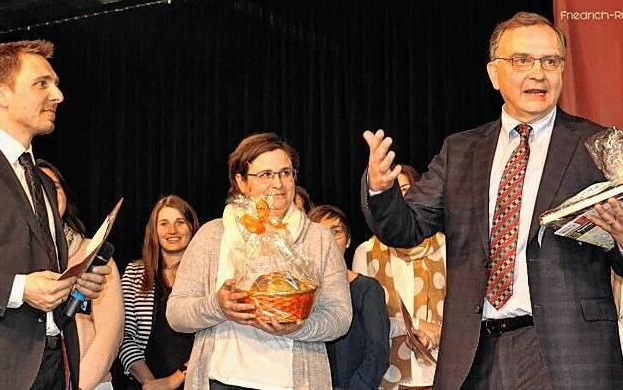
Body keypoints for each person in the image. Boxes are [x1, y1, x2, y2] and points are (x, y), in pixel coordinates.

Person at [360, 12, 623, 389]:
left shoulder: (597, 146)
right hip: (474, 354)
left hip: (567, 354)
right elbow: (404, 229)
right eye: (522, 60)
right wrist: (380, 188)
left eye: (550, 61)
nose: (538, 73)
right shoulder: (461, 151)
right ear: (494, 74)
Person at [166, 132, 351, 390]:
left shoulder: (318, 239)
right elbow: (176, 313)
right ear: (241, 181)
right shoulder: (212, 235)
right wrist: (217, 306)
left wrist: (298, 328)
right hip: (221, 382)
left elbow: (340, 317)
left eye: (286, 173)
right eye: (265, 175)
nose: (278, 183)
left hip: (294, 384)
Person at [0, 39, 111, 389]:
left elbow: (42, 273)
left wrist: (73, 284)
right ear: (1, 93)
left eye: (54, 83)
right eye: (42, 83)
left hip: (56, 364)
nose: (58, 95)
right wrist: (19, 289)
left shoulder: (38, 176)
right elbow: (24, 283)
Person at [353, 165, 446, 389]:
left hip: (443, 373)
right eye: (391, 192)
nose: (399, 198)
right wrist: (412, 326)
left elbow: (465, 310)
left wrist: (436, 334)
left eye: (404, 189)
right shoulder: (365, 253)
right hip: (389, 377)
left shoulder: (445, 246)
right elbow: (364, 321)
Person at [37, 159, 124, 390]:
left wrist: (77, 382)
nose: (49, 192)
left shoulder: (93, 253)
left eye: (54, 186)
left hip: (86, 383)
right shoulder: (15, 259)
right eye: (39, 186)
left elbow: (110, 334)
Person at [119, 195, 200, 389]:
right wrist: (150, 383)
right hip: (145, 382)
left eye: (180, 222)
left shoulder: (208, 276)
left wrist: (176, 379)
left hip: (196, 380)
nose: (172, 230)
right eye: (164, 223)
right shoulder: (134, 273)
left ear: (192, 227)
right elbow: (123, 336)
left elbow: (215, 339)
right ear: (154, 231)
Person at [308, 205, 390, 389]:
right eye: (320, 233)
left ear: (348, 240)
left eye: (335, 232)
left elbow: (378, 353)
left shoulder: (368, 289)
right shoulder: (300, 292)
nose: (328, 239)